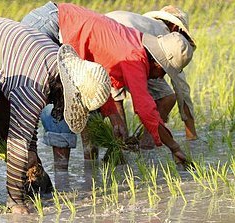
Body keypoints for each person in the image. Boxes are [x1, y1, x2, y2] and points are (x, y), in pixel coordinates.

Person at [0, 17, 111, 214]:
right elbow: (18, 141)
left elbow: (28, 121)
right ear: (64, 90)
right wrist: (15, 201)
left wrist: (31, 152)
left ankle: (36, 189)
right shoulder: (34, 85)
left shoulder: (57, 69)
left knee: (15, 131)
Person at [21, 2, 195, 171]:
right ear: (158, 63)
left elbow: (100, 77)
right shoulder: (134, 57)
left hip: (53, 21)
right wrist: (174, 147)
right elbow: (145, 110)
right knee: (59, 101)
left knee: (86, 104)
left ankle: (76, 174)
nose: (161, 77)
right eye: (164, 72)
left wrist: (113, 116)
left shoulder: (135, 42)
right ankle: (60, 180)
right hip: (49, 27)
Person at [106, 6, 198, 147]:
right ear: (175, 27)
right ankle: (147, 145)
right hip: (129, 53)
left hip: (105, 43)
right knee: (167, 98)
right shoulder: (166, 36)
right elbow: (181, 88)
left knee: (116, 99)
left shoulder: (144, 22)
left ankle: (121, 147)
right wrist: (191, 135)